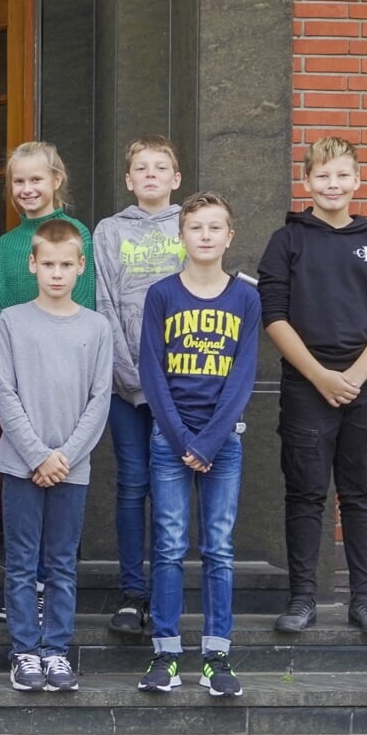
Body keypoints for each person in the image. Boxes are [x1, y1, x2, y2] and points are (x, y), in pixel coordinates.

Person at [259, 136, 367, 636]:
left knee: (360, 493)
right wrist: (320, 376)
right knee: (305, 493)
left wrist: (356, 377)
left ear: (357, 181)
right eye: (322, 176)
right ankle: (302, 598)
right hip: (307, 385)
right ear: (306, 182)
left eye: (342, 175)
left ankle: (365, 600)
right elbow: (273, 315)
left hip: (366, 385)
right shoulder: (288, 240)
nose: (332, 185)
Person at [136, 191, 259, 698]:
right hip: (170, 438)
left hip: (223, 441)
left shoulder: (246, 298)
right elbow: (152, 371)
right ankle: (165, 654)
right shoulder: (162, 295)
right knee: (167, 546)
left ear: (229, 237)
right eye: (196, 228)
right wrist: (183, 438)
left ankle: (216, 655)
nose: (205, 236)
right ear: (180, 236)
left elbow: (243, 376)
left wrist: (208, 442)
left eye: (215, 228)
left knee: (219, 549)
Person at [0, 220, 112, 693]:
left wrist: (63, 457)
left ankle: (56, 651)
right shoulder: (13, 322)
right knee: (22, 562)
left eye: (66, 265)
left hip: (72, 468)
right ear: (32, 265)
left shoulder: (96, 326)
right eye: (48, 265)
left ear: (81, 267)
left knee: (61, 563)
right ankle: (24, 650)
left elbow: (99, 399)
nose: (57, 274)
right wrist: (39, 455)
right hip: (20, 464)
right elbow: (5, 391)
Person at [93, 136, 185, 638]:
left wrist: (173, 380)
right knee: (133, 483)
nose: (151, 174)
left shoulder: (189, 226)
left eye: (161, 167)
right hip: (125, 384)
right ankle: (132, 592)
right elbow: (104, 302)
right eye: (141, 168)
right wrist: (130, 375)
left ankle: (167, 592)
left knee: (171, 485)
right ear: (129, 180)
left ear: (176, 178)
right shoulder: (108, 231)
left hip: (180, 385)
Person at [0, 142, 96, 346]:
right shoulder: (4, 245)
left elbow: (85, 301)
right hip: (19, 359)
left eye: (36, 180)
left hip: (67, 355)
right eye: (19, 181)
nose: (27, 189)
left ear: (56, 180)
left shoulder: (78, 233)